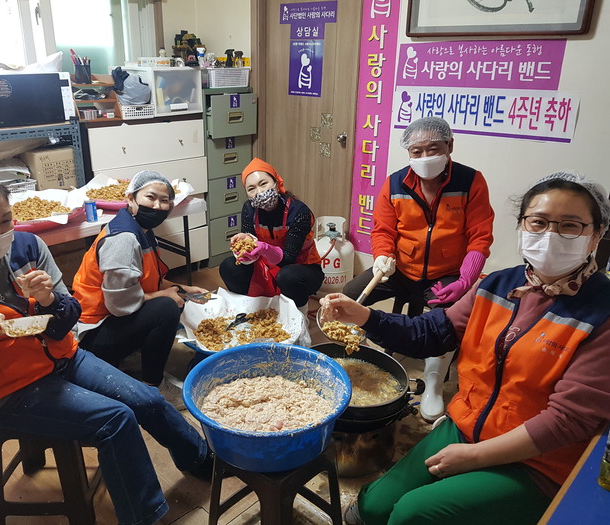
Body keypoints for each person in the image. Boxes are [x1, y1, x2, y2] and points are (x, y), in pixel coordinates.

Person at [0, 164, 213, 525]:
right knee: (116, 419)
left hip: (63, 356)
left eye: (5, 220)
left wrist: (50, 301)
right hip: (6, 389)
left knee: (147, 399)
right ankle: (143, 517)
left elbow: (66, 322)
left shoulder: (26, 247)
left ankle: (200, 458)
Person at [322, 171, 610, 525]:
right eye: (538, 222)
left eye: (569, 226)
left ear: (596, 234)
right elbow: (431, 332)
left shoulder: (601, 312)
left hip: (538, 460)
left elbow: (567, 421)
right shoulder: (498, 285)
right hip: (467, 425)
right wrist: (365, 316)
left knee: (413, 514)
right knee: (374, 506)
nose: (550, 235)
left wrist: (476, 457)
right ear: (523, 225)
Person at [343, 116, 495, 422]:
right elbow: (383, 229)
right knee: (351, 292)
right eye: (417, 151)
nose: (425, 157)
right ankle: (359, 349)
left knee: (449, 317)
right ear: (409, 153)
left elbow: (480, 237)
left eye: (433, 149)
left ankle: (434, 381)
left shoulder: (470, 182)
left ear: (449, 146)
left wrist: (465, 279)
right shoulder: (395, 183)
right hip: (401, 268)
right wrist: (382, 256)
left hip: (445, 273)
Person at [72, 170, 208, 410]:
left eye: (164, 201)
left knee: (174, 299)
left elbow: (148, 281)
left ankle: (131, 358)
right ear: (131, 199)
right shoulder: (123, 239)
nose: (157, 206)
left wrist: (185, 289)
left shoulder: (140, 230)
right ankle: (153, 387)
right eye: (150, 197)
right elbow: (120, 304)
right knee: (166, 308)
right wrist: (164, 296)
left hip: (110, 320)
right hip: (92, 334)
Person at [218, 157, 324, 312]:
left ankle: (299, 317)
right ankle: (250, 310)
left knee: (288, 276)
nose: (259, 192)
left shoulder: (298, 211)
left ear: (276, 182)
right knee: (229, 266)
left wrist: (264, 248)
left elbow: (288, 259)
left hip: (300, 267)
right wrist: (245, 251)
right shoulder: (249, 209)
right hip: (264, 265)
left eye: (263, 183)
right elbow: (251, 248)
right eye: (251, 188)